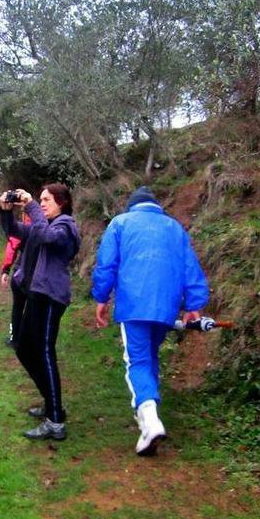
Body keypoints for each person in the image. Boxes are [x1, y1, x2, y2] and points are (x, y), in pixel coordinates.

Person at [91, 185, 210, 456]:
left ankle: (150, 420)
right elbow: (190, 266)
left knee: (137, 360)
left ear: (132, 205)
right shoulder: (175, 228)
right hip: (166, 306)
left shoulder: (120, 223)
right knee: (150, 357)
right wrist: (194, 304)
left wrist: (101, 298)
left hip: (134, 305)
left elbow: (107, 264)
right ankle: (148, 417)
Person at [0, 184, 81, 441]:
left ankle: (55, 421)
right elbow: (15, 231)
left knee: (45, 353)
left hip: (51, 297)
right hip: (36, 294)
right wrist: (6, 211)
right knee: (23, 348)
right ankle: (51, 402)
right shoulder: (43, 224)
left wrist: (31, 206)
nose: (42, 203)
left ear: (62, 202)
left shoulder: (66, 226)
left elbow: (48, 237)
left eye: (47, 200)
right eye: (40, 200)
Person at [0, 209, 32, 349]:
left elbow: (11, 248)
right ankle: (30, 340)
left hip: (22, 274)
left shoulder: (22, 229)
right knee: (34, 309)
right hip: (41, 278)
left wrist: (5, 270)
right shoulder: (49, 227)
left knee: (18, 307)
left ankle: (15, 339)